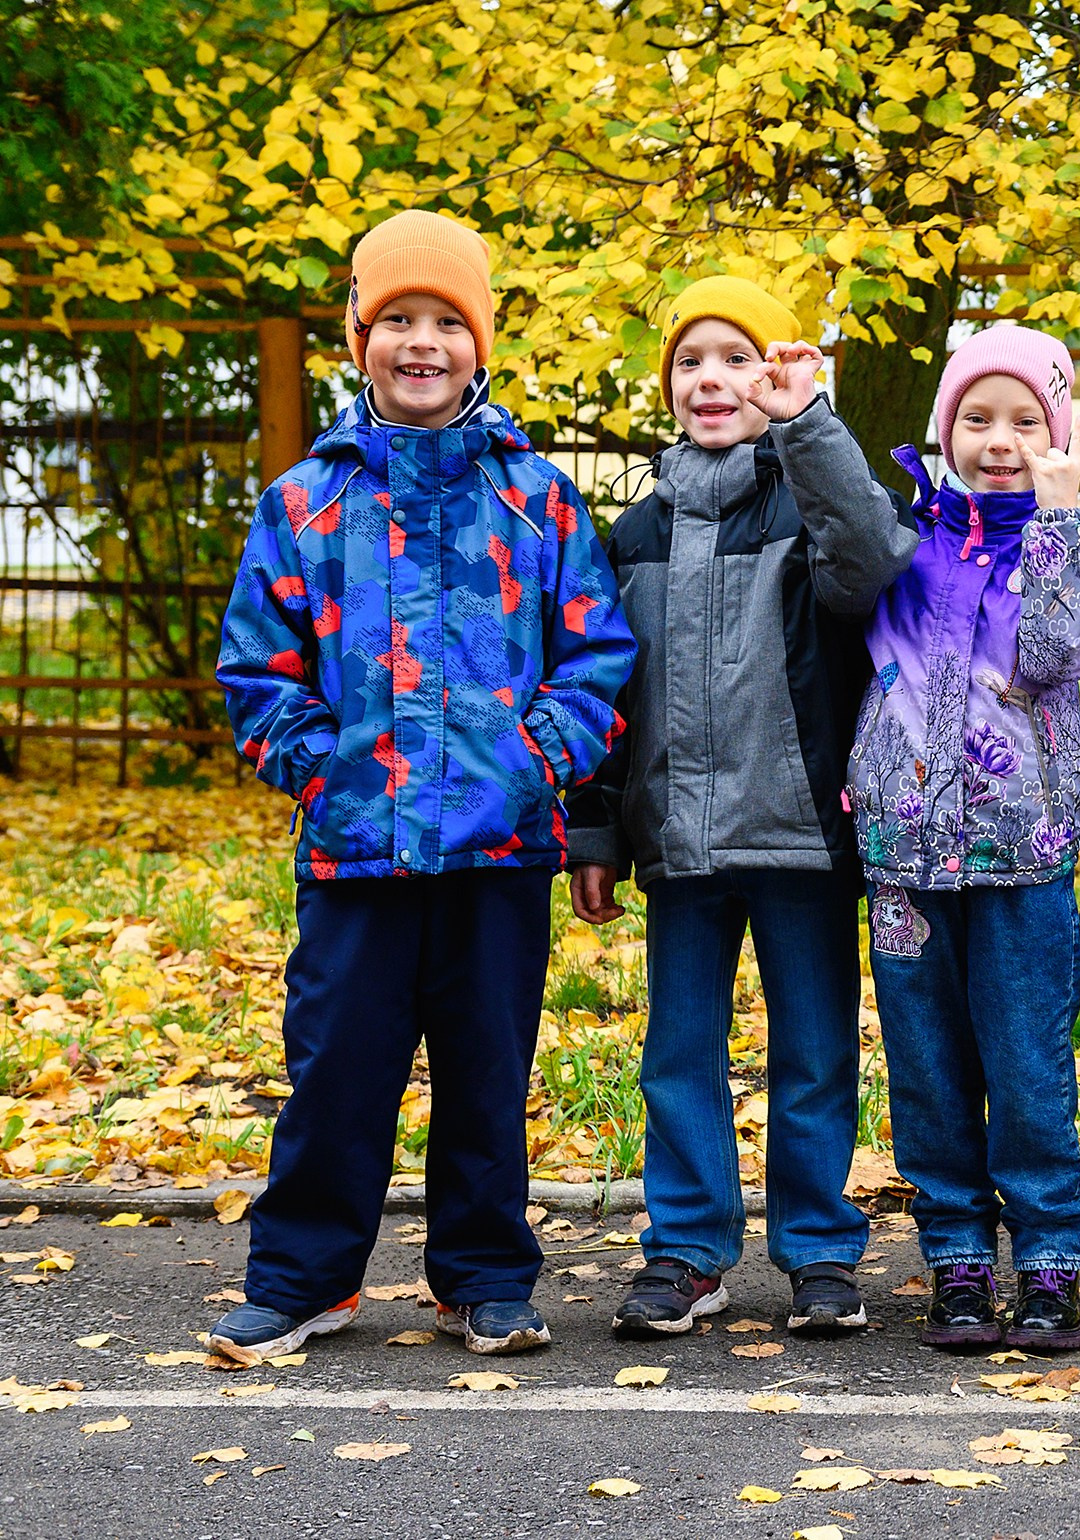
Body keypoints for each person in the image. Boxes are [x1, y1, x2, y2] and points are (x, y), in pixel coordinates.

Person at [209, 209, 635, 1359]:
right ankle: (304, 1277)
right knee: (338, 1068)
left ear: (480, 342)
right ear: (359, 336)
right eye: (396, 317)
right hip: (356, 844)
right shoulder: (304, 502)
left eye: (445, 320)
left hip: (500, 846)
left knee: (487, 1073)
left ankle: (485, 1276)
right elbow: (256, 667)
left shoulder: (535, 498)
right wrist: (321, 769)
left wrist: (539, 757)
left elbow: (597, 652)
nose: (421, 341)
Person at [565, 276, 916, 1338]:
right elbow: (602, 683)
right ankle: (686, 1250)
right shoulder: (633, 534)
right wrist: (593, 826)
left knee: (813, 1050)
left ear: (773, 374)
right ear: (666, 382)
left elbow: (869, 560)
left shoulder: (811, 504)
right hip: (678, 837)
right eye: (690, 361)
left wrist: (807, 421)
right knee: (678, 1051)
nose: (711, 379)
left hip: (802, 830)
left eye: (737, 358)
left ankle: (816, 1248)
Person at [848, 325, 1080, 1352]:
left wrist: (1057, 523)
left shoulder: (1078, 548)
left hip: (1024, 858)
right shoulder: (902, 543)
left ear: (1056, 434)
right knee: (925, 1068)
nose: (998, 439)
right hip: (906, 863)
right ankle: (957, 1255)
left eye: (1024, 420)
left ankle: (1048, 1258)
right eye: (977, 417)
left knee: (1028, 1065)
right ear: (945, 428)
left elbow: (1064, 650)